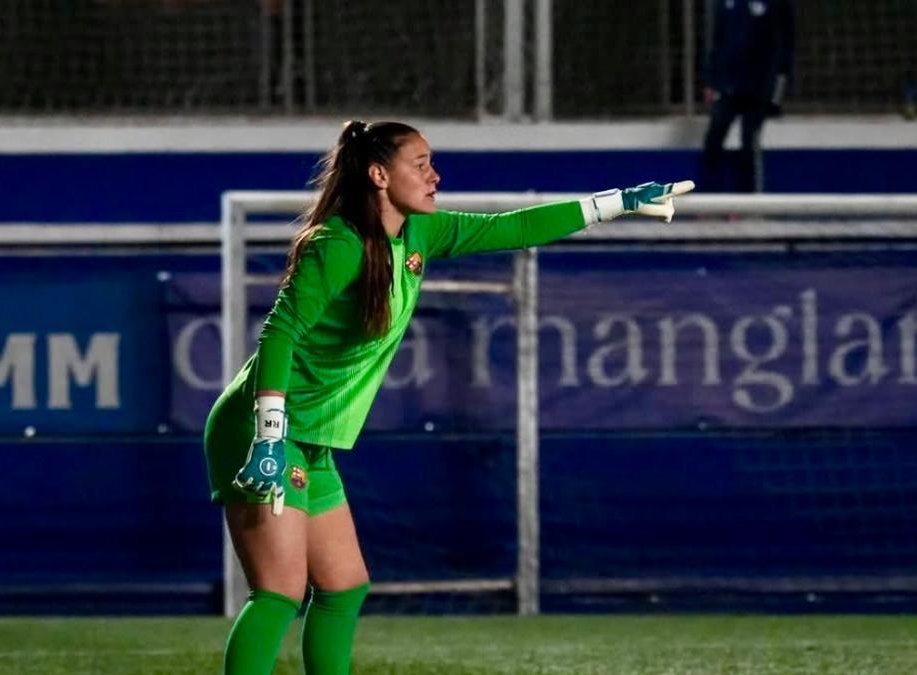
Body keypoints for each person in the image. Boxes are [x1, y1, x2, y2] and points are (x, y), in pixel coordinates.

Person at [203, 120, 693, 675]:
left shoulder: (418, 233)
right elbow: (279, 334)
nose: (435, 175)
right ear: (379, 175)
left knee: (344, 586)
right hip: (262, 429)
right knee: (279, 591)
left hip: (308, 436)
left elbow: (516, 227)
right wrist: (269, 435)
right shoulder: (337, 245)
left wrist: (617, 202)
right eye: (421, 164)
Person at [700, 0, 794, 193]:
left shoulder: (776, 4)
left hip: (759, 87)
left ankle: (749, 197)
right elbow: (718, 42)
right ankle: (708, 195)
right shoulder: (726, 4)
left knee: (749, 142)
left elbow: (786, 45)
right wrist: (711, 81)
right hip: (728, 86)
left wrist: (776, 93)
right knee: (714, 136)